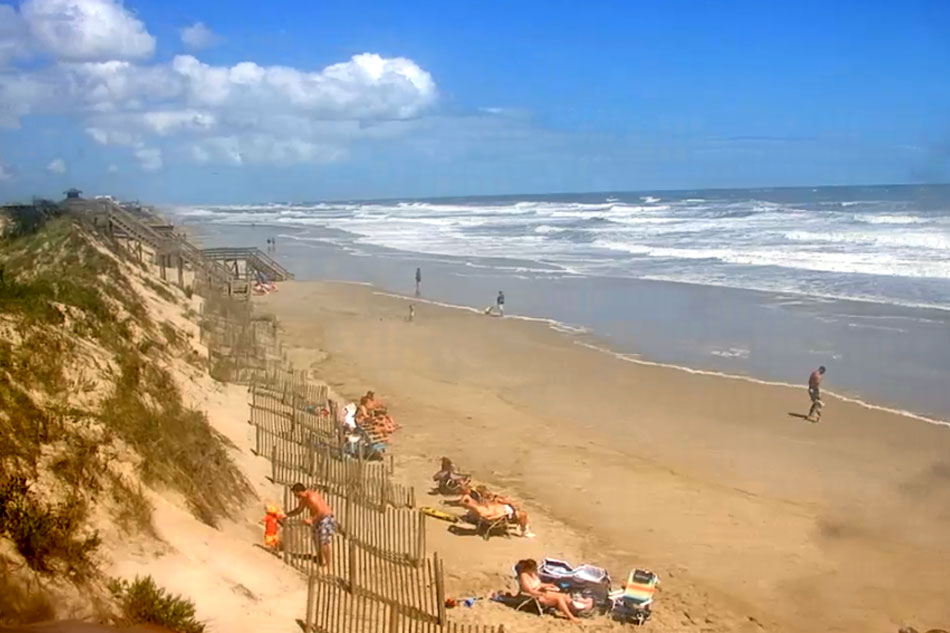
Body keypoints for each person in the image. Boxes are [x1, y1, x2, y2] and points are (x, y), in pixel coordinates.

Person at [516, 558, 592, 621]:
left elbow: (539, 584)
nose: (535, 570)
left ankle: (577, 608)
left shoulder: (532, 574)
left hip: (542, 592)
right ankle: (571, 617)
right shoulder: (524, 576)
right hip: (536, 596)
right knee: (559, 599)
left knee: (563, 595)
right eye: (533, 569)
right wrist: (541, 593)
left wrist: (550, 585)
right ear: (528, 568)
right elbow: (529, 590)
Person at [285, 483, 336, 567]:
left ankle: (327, 563)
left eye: (295, 494)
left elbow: (322, 511)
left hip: (325, 518)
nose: (295, 496)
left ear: (300, 492)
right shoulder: (303, 499)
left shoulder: (312, 498)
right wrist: (287, 515)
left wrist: (311, 519)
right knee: (316, 539)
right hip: (317, 518)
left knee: (323, 541)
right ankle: (319, 558)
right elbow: (298, 510)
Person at [460, 493, 534, 538]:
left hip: (503, 509)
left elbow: (466, 497)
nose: (471, 501)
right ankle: (524, 532)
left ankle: (521, 526)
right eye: (470, 501)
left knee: (515, 506)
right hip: (505, 514)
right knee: (523, 515)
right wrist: (502, 514)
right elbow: (490, 517)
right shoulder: (482, 510)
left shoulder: (478, 507)